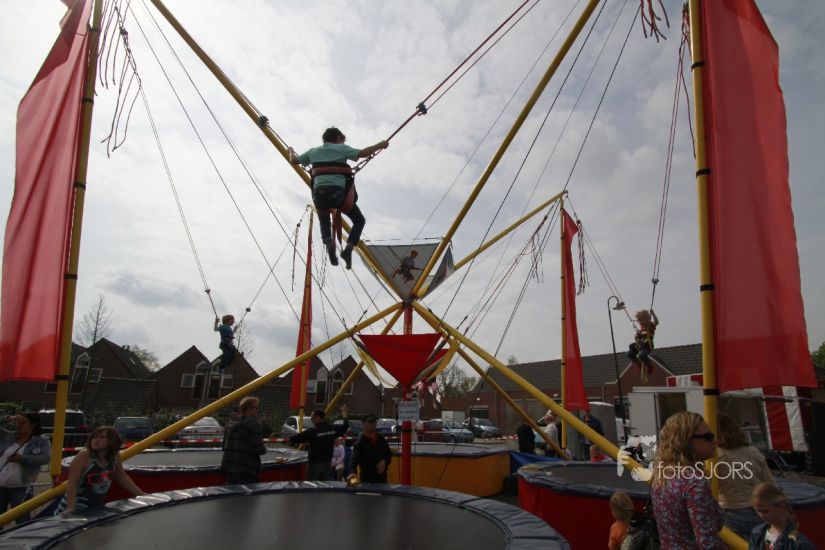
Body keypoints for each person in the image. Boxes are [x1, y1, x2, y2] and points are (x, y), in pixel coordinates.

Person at [288, 128, 389, 269]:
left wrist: (290, 150)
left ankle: (329, 243)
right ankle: (348, 249)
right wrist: (380, 145)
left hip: (319, 194)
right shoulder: (341, 149)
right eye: (342, 140)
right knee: (359, 220)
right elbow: (363, 153)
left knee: (324, 220)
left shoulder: (313, 152)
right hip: (338, 194)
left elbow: (293, 160)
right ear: (338, 138)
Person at [650, 411, 726, 549]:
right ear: (686, 441)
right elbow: (708, 543)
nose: (716, 442)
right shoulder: (694, 483)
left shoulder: (661, 477)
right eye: (708, 437)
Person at [57, 426, 144, 514]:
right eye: (94, 437)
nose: (96, 440)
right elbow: (72, 483)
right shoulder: (84, 455)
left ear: (111, 440)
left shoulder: (114, 456)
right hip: (74, 509)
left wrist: (142, 495)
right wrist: (71, 507)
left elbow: (123, 478)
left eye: (102, 437)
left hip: (95, 509)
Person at [715, 412, 774, 539]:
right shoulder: (753, 452)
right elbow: (769, 484)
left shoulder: (716, 457)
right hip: (757, 509)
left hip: (730, 511)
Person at [0, 413, 51, 523]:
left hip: (21, 486)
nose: (18, 425)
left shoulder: (41, 441)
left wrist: (22, 458)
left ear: (33, 425)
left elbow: (46, 458)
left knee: (22, 519)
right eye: (17, 423)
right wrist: (8, 418)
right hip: (1, 484)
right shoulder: (9, 436)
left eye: (22, 423)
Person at [289, 405, 349, 481]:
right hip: (327, 463)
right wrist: (344, 413)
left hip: (315, 463)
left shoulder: (312, 431)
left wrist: (293, 439)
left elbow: (294, 438)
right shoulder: (332, 428)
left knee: (312, 484)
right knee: (324, 484)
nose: (311, 419)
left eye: (312, 417)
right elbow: (345, 426)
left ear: (317, 417)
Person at [749, 482, 815, 550]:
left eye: (765, 511)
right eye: (758, 511)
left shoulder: (800, 544)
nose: (762, 515)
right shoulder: (757, 534)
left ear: (781, 506)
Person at [221, 396, 266, 485]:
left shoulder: (230, 424)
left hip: (230, 467)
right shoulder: (253, 424)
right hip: (247, 469)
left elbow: (224, 446)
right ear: (248, 409)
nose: (257, 411)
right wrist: (264, 449)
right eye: (256, 408)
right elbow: (258, 448)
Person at [350, 415, 392, 483]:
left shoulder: (382, 439)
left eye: (374, 421)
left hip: (382, 480)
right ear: (363, 424)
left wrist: (384, 461)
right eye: (370, 422)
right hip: (367, 481)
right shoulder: (360, 443)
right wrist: (353, 476)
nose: (373, 423)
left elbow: (388, 455)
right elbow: (353, 462)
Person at [628, 309, 659, 383]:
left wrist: (653, 314)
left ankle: (649, 365)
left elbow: (656, 322)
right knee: (630, 353)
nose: (640, 322)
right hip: (640, 345)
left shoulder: (650, 326)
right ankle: (638, 364)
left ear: (646, 319)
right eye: (639, 321)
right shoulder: (640, 329)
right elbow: (636, 338)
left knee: (642, 354)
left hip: (647, 345)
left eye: (641, 320)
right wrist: (638, 334)